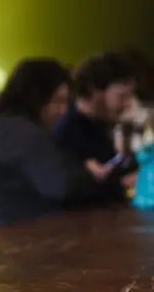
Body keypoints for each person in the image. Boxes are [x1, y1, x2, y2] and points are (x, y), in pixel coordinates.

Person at [0, 58, 110, 227]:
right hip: (15, 235)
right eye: (57, 101)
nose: (63, 111)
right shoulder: (25, 133)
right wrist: (90, 175)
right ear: (36, 98)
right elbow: (60, 187)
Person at [54, 52, 138, 202]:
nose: (128, 103)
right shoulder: (67, 130)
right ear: (95, 90)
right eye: (122, 96)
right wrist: (121, 184)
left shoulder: (108, 124)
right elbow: (71, 191)